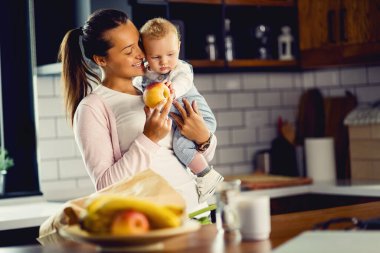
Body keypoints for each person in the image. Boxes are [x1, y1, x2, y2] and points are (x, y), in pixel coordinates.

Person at [58, 9, 217, 214]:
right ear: (101, 60)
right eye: (128, 50)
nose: (141, 54)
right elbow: (106, 187)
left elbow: (197, 155)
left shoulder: (155, 90)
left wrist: (204, 138)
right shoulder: (93, 107)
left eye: (139, 44)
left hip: (197, 211)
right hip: (152, 225)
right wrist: (149, 137)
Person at [135, 18, 224, 203]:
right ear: (144, 53)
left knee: (181, 146)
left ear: (179, 46)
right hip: (183, 122)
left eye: (171, 54)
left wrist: (171, 89)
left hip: (199, 117)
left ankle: (207, 175)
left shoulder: (180, 70)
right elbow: (139, 83)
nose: (165, 62)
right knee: (182, 145)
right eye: (156, 57)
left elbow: (183, 82)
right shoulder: (146, 74)